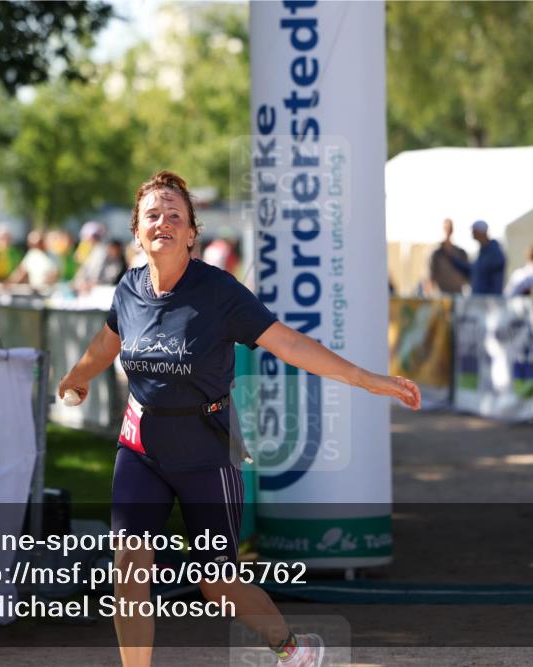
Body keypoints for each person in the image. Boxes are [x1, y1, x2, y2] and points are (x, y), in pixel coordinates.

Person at [58, 171, 420, 667]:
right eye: (152, 215)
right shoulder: (128, 289)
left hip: (207, 449)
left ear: (191, 233)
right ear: (137, 232)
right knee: (129, 566)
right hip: (140, 447)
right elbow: (109, 340)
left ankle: (290, 649)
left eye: (175, 215)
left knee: (217, 581)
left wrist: (368, 380)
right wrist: (78, 376)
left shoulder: (219, 292)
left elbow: (289, 343)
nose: (163, 221)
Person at [447, 220, 506, 295]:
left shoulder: (494, 251)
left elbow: (495, 266)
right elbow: (472, 271)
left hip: (489, 302)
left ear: (481, 232)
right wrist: (453, 259)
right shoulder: (481, 253)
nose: (472, 233)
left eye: (474, 230)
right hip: (479, 300)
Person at [427, 218, 469, 295]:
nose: (448, 231)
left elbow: (467, 273)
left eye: (450, 228)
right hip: (441, 294)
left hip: (458, 293)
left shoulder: (461, 253)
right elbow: (431, 276)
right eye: (446, 228)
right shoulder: (437, 254)